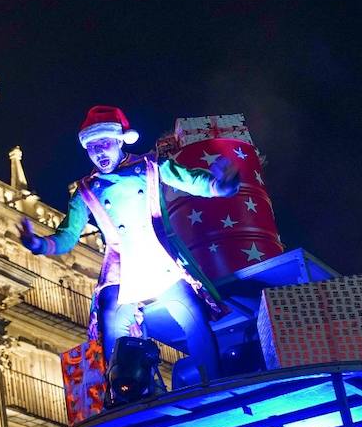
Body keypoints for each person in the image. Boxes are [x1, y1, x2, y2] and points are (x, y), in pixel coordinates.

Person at [21, 105, 240, 384]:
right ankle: (124, 394)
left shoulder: (151, 166)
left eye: (105, 144)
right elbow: (67, 235)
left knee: (193, 317)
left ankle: (213, 381)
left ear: (119, 140)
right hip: (122, 271)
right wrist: (39, 244)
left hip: (160, 262)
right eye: (92, 148)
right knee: (112, 326)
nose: (99, 153)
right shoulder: (86, 190)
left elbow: (195, 182)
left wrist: (224, 184)